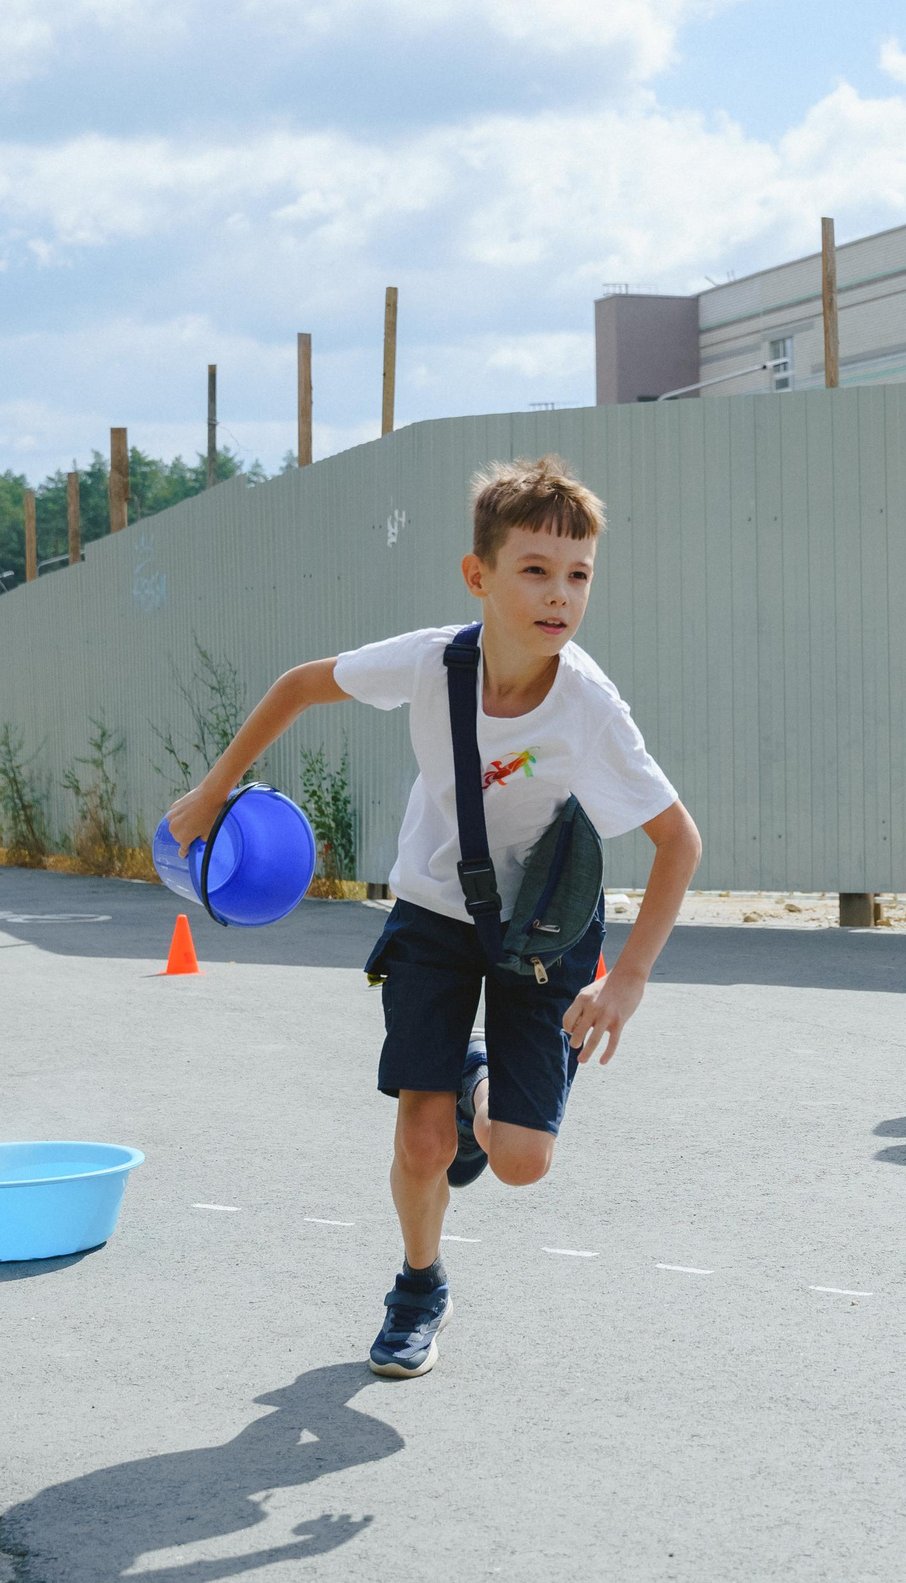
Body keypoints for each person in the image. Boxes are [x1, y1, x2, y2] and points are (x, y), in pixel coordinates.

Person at [163, 455, 703, 1378]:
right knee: (421, 1136)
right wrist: (213, 793)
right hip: (433, 912)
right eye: (534, 569)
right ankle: (418, 1287)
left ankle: (479, 1084)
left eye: (579, 575)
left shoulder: (589, 707)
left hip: (543, 934)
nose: (559, 595)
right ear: (478, 575)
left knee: (523, 1160)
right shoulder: (428, 663)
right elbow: (299, 684)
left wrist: (629, 981)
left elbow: (677, 840)